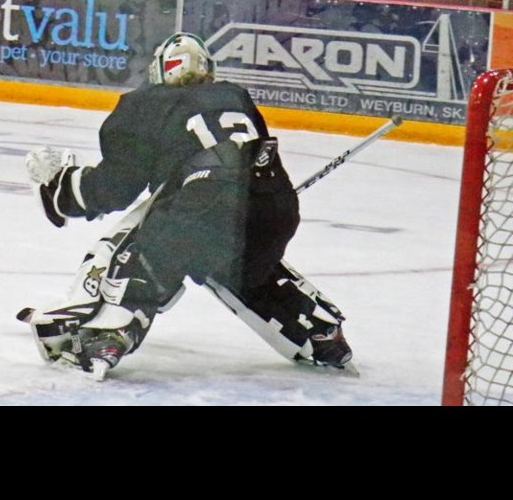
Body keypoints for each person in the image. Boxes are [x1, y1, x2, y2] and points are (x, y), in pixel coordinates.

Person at [22, 32, 352, 380]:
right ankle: (317, 330)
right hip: (277, 205)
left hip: (202, 201)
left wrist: (60, 188)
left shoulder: (148, 102)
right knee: (240, 265)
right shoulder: (234, 96)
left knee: (138, 248)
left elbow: (115, 188)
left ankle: (104, 333)